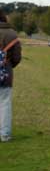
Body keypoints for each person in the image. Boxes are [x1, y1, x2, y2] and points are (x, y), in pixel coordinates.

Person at [0, 9, 22, 142]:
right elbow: (17, 57)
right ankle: (5, 134)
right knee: (4, 103)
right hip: (6, 74)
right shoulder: (12, 34)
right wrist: (7, 66)